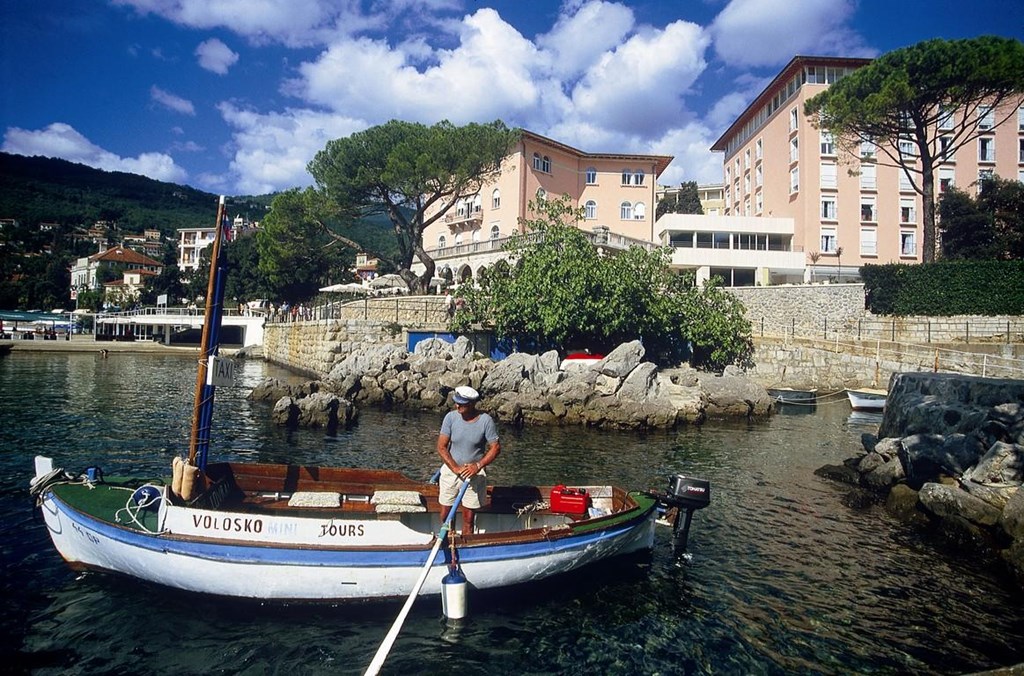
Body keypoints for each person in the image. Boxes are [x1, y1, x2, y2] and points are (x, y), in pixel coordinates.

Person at [436, 385, 500, 536]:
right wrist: (455, 468)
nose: (457, 405)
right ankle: (448, 538)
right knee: (445, 513)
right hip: (451, 472)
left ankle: (468, 542)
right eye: (456, 402)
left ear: (471, 404)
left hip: (473, 475)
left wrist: (477, 466)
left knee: (469, 518)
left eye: (461, 403)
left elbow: (495, 448)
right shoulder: (450, 418)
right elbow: (441, 447)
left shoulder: (486, 421)